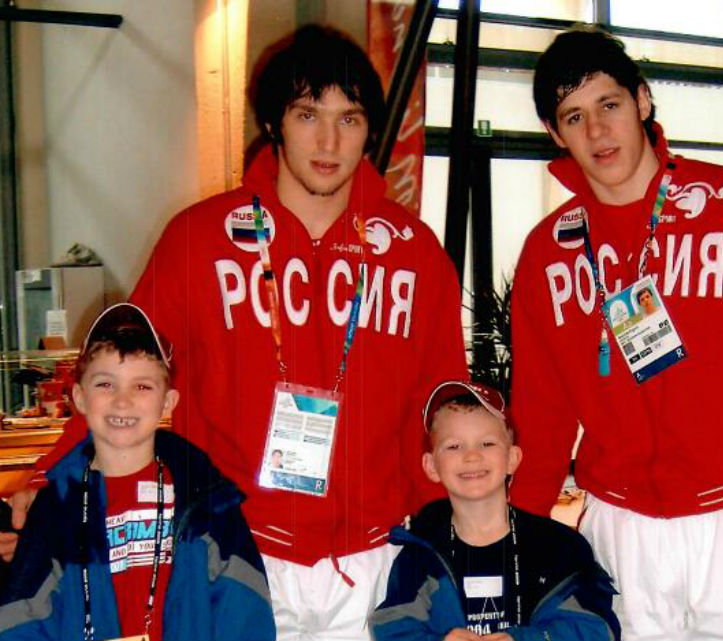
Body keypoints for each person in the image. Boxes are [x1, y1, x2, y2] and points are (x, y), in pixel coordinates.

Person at [0, 24, 467, 640]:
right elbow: (118, 374)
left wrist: (460, 534)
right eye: (307, 114)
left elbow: (444, 403)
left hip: (375, 556)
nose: (328, 140)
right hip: (231, 552)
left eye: (349, 119)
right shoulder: (198, 240)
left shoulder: (416, 253)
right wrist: (47, 479)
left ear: (370, 132)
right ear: (275, 122)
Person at [511, 27, 723, 641]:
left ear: (642, 100)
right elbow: (541, 420)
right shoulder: (547, 253)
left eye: (609, 105)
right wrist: (523, 544)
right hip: (621, 529)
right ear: (554, 133)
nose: (596, 132)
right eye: (574, 116)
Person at [0, 303, 274, 641]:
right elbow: (21, 621)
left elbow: (246, 611)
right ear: (79, 397)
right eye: (105, 384)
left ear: (168, 402)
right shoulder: (56, 509)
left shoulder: (207, 500)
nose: (122, 401)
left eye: (142, 386)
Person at [371, 380, 620, 641]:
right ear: (431, 465)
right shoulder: (420, 554)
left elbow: (595, 629)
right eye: (454, 446)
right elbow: (393, 628)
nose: (472, 456)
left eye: (487, 444)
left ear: (512, 458)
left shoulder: (559, 548)